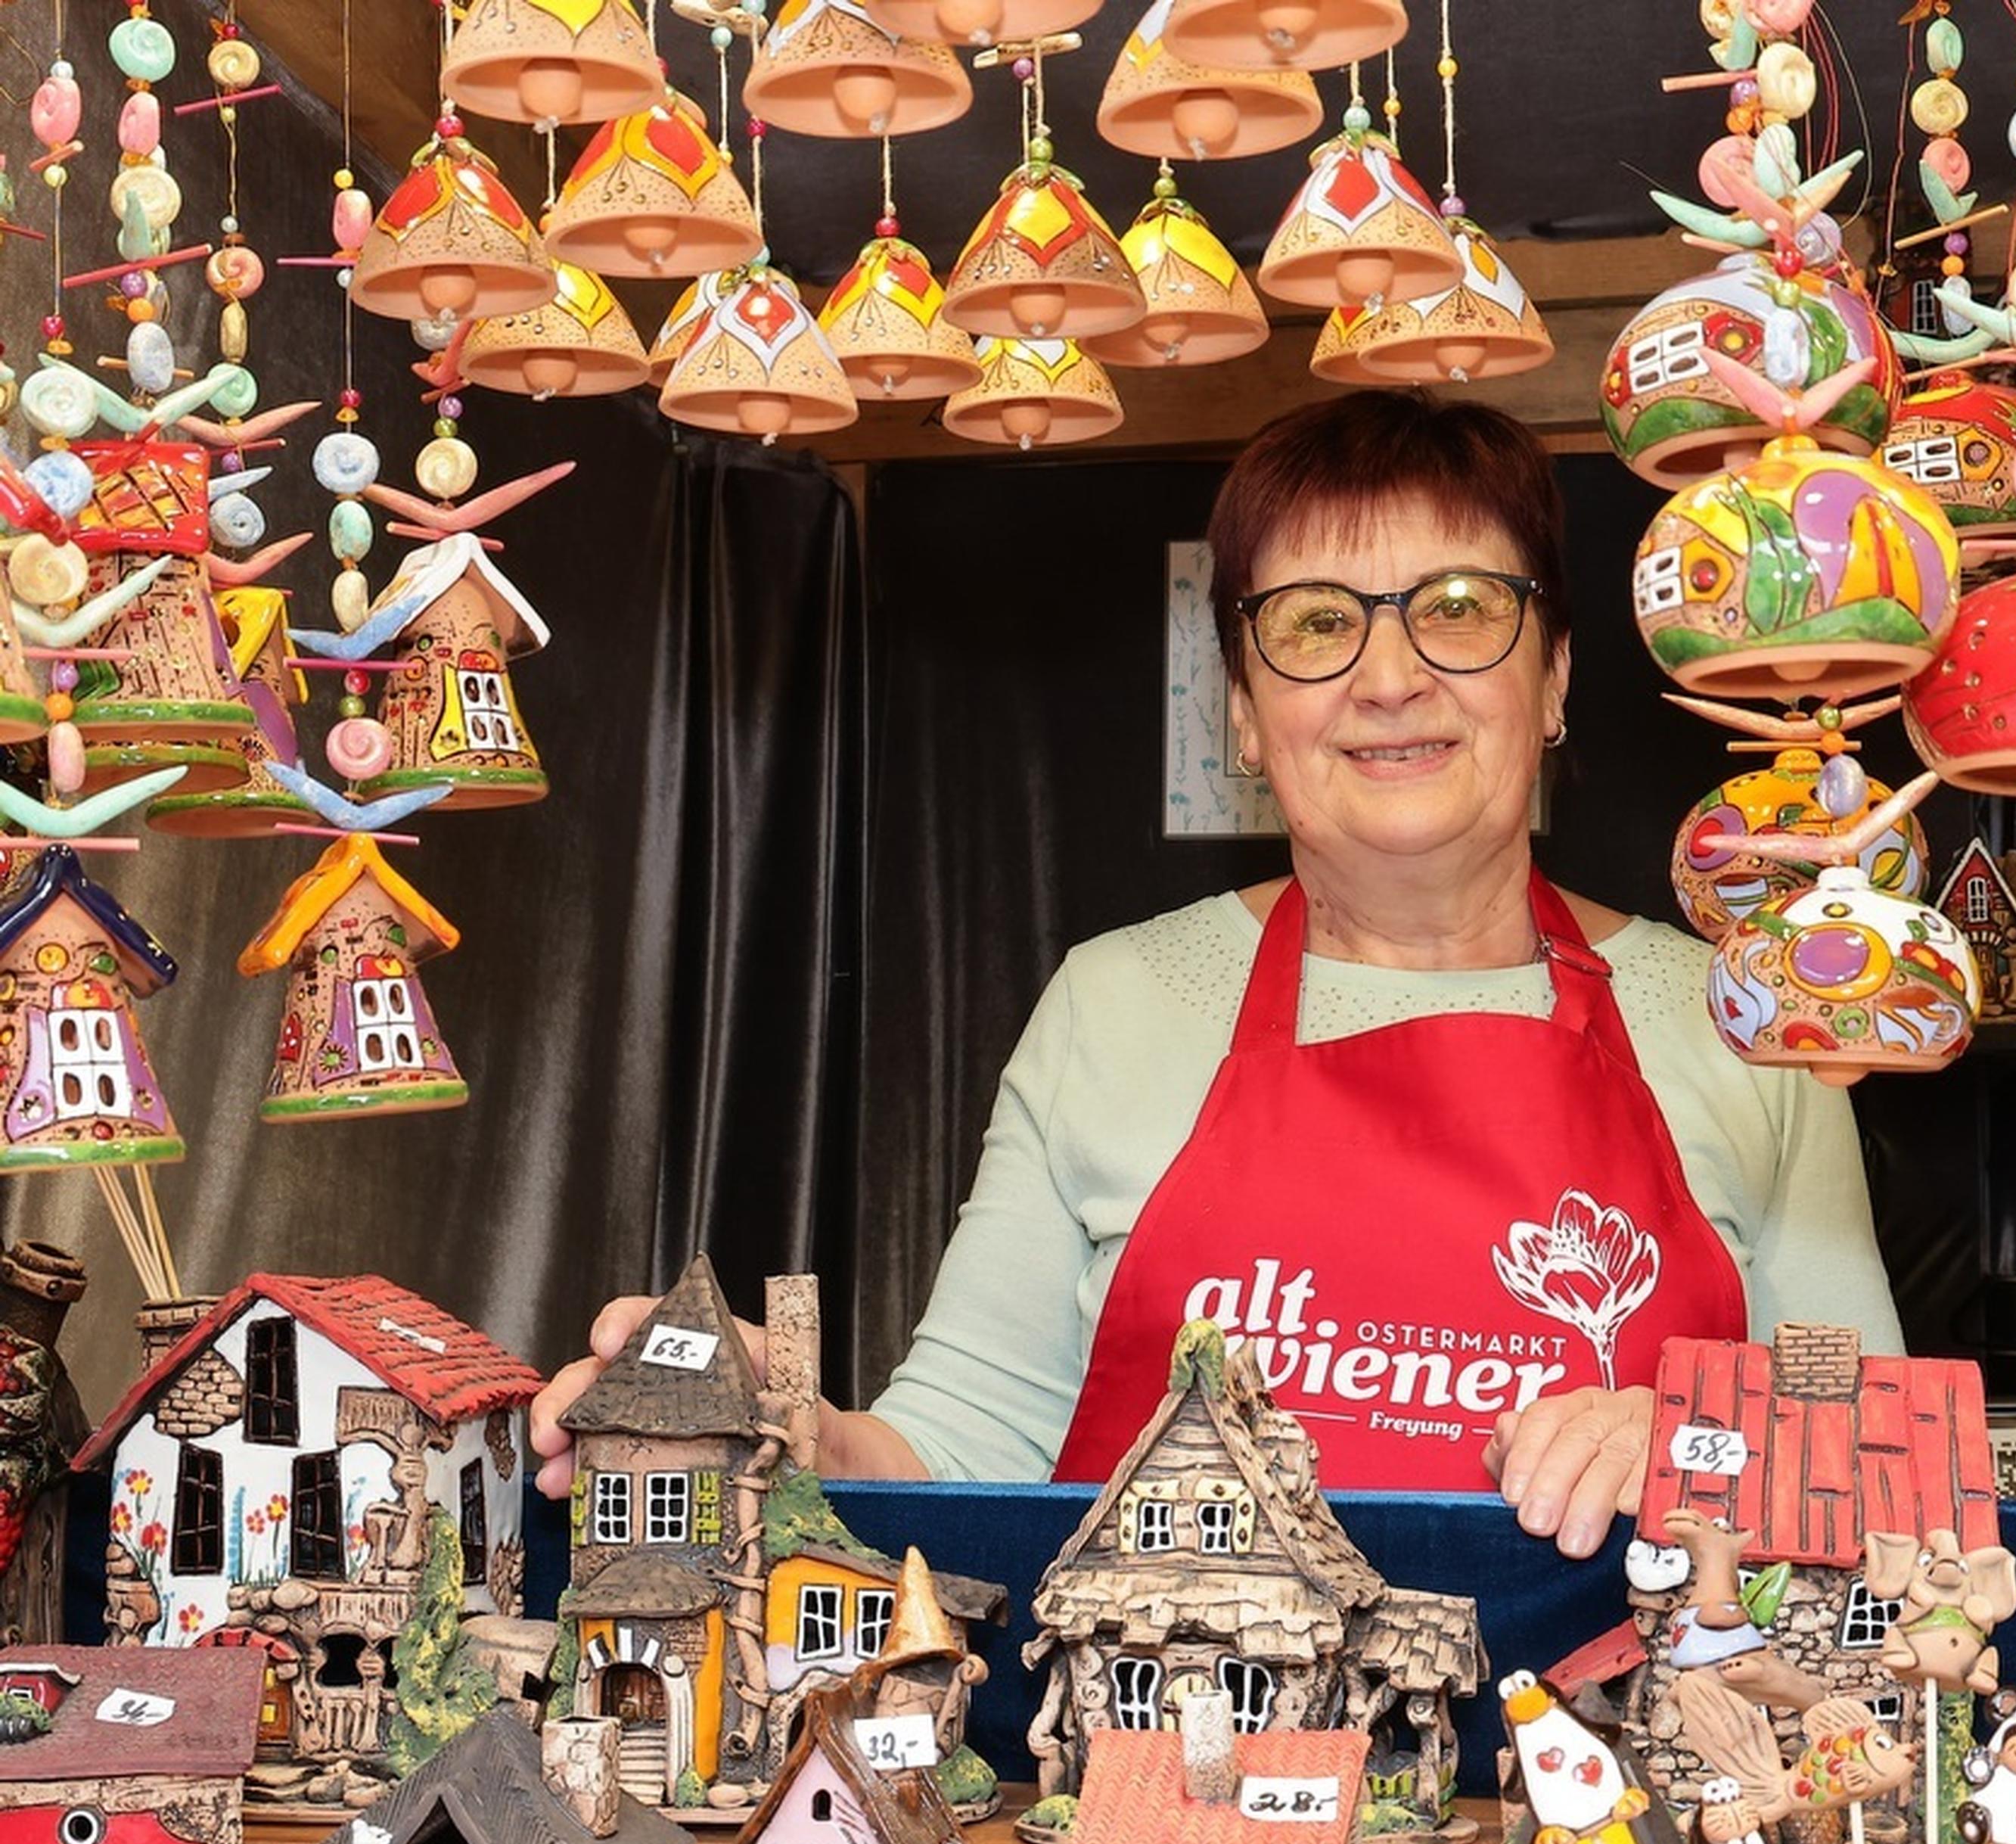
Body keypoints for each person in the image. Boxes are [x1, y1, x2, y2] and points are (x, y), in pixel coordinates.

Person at [532, 390, 1903, 1556]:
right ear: (1246, 713)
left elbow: (1898, 1476)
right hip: (1166, 1778)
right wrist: (782, 1434)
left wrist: (1700, 1439)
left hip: (1632, 1815)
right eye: (1316, 624)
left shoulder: (1749, 1018)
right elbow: (962, 1452)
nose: (1389, 676)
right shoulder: (1114, 1003)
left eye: (1461, 608)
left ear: (1552, 681)